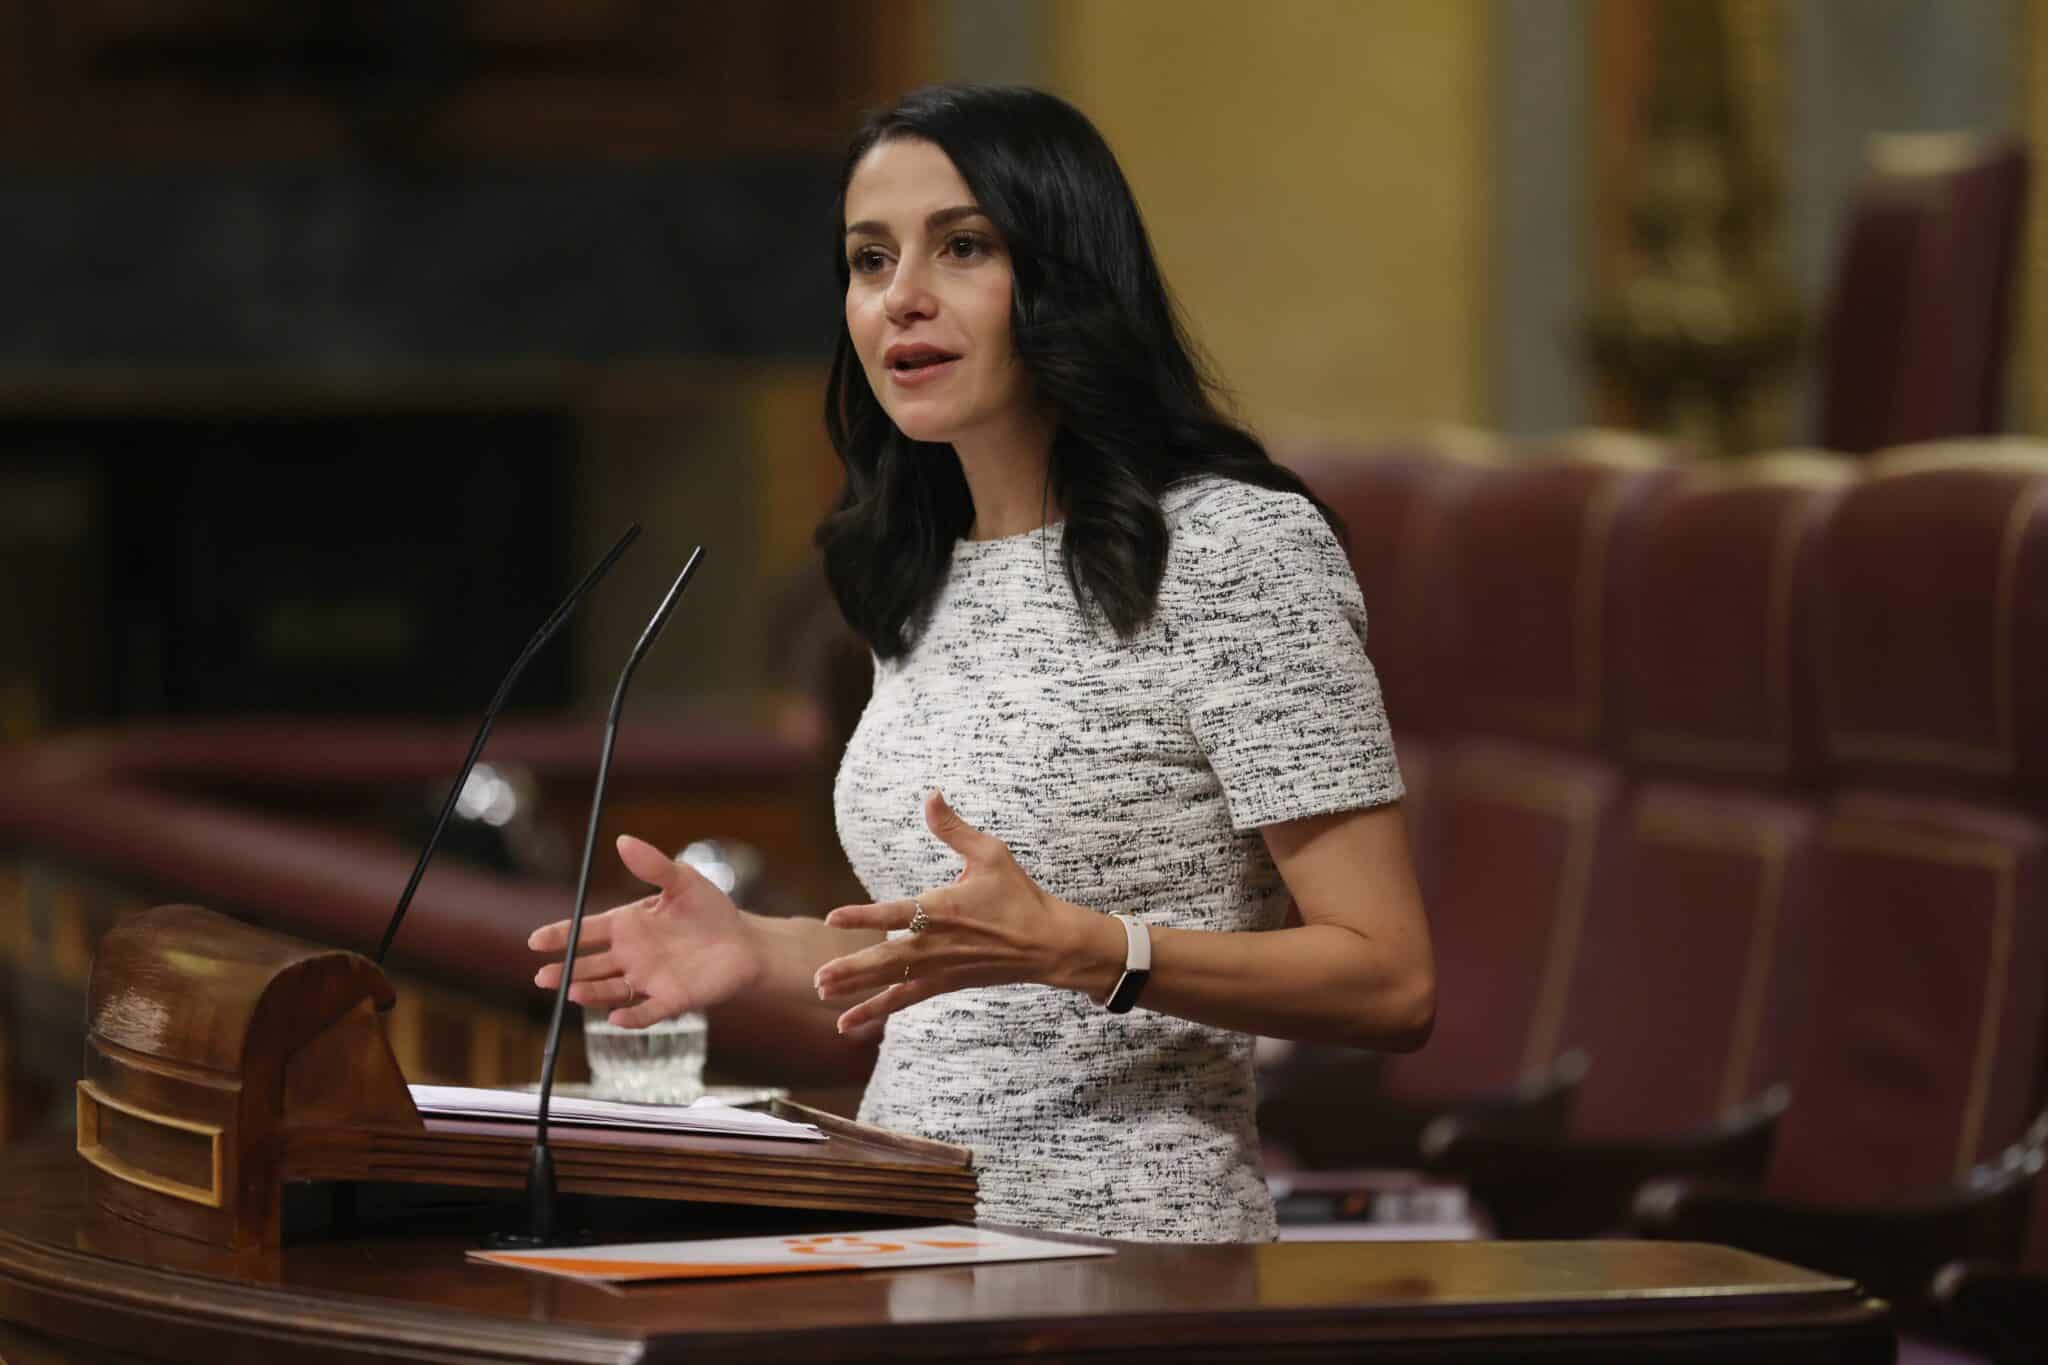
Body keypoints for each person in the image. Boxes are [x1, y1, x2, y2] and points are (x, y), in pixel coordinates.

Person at [531, 85, 1433, 1243]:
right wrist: (753, 949)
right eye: (867, 260)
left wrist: (1087, 947)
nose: (900, 296)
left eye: (961, 247)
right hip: (906, 1235)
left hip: (1130, 1264)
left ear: (1063, 275)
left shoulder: (1232, 551)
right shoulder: (918, 571)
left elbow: (1389, 979)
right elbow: (959, 965)